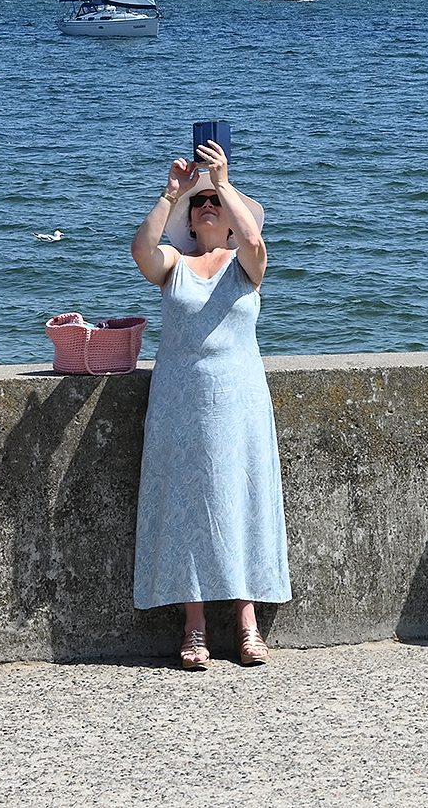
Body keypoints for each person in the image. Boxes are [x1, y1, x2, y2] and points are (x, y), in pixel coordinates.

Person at [130, 138, 290, 669]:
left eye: (214, 203)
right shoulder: (174, 262)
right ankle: (193, 627)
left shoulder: (245, 264)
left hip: (239, 396)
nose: (207, 207)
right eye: (199, 206)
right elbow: (141, 252)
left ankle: (246, 623)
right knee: (184, 506)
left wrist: (221, 181)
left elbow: (254, 238)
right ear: (190, 221)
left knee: (241, 500)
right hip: (180, 397)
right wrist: (170, 193)